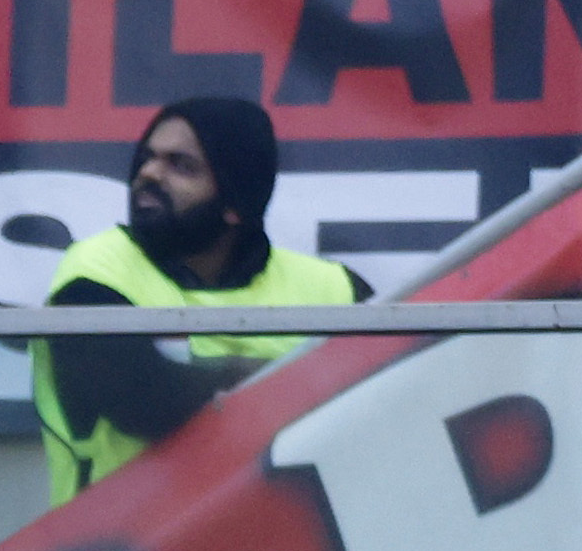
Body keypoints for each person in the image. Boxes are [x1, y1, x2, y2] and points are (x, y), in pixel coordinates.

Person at [32, 101, 365, 505]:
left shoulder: (334, 289)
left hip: (290, 548)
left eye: (181, 166)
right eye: (148, 158)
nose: (150, 174)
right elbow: (145, 401)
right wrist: (306, 380)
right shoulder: (94, 275)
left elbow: (390, 393)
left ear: (235, 206)